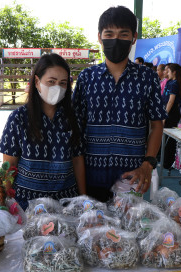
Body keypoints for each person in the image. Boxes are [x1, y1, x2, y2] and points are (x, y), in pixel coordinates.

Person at [72, 6, 167, 202]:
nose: (116, 39)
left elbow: (157, 125)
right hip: (90, 177)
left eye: (123, 34)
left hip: (132, 179)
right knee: (91, 231)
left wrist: (148, 164)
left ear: (134, 37)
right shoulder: (86, 78)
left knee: (129, 231)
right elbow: (76, 129)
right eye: (109, 33)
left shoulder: (148, 78)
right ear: (99, 37)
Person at [0, 53, 86, 210]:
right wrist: (4, 204)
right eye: (51, 82)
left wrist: (83, 198)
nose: (57, 88)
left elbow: (78, 160)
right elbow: (9, 165)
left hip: (65, 205)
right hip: (27, 206)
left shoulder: (73, 119)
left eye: (63, 83)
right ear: (37, 82)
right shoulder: (18, 118)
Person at [162, 63, 181, 169]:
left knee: (170, 140)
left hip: (171, 114)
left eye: (168, 71)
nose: (166, 73)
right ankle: (163, 159)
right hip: (166, 112)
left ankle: (168, 163)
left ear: (174, 72)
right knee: (164, 138)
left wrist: (165, 116)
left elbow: (171, 101)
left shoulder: (175, 84)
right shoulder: (169, 82)